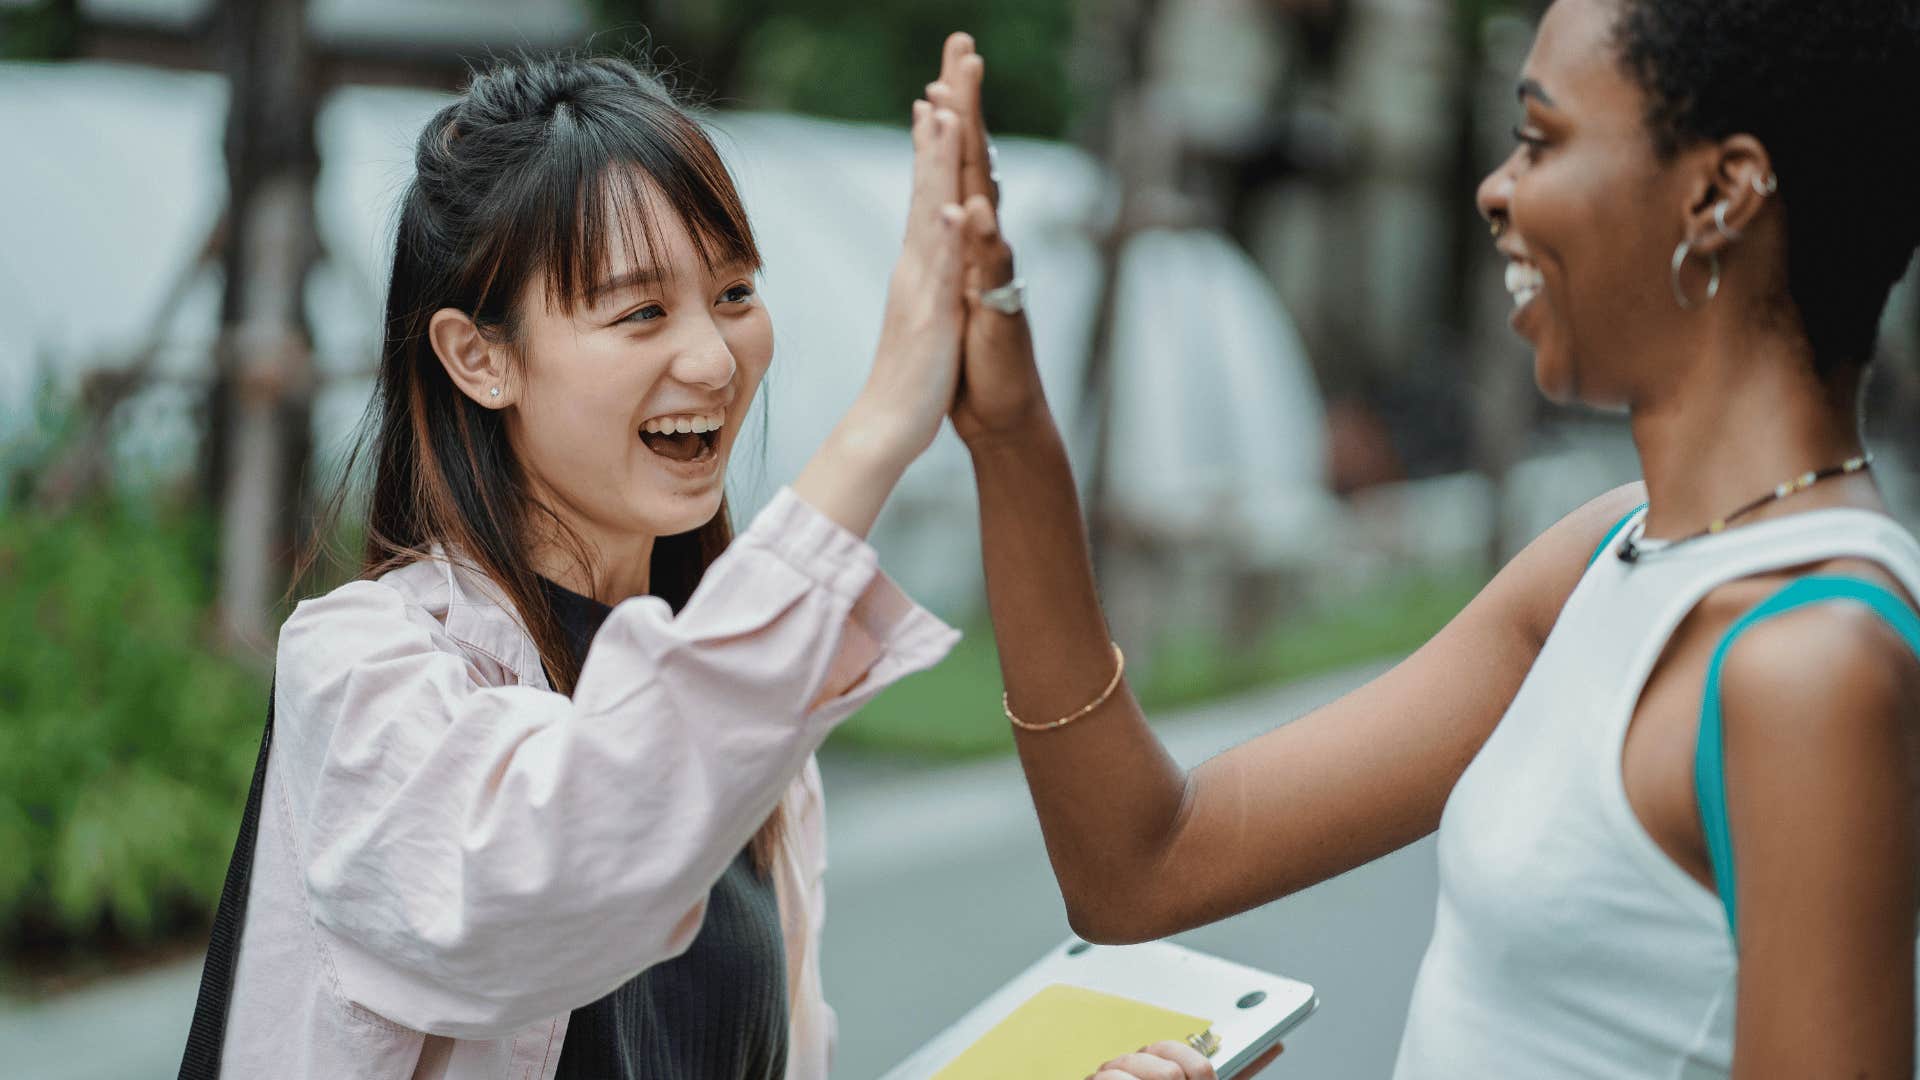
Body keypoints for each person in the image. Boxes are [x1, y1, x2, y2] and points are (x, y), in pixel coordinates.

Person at [942, 0, 1920, 1076]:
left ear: (1720, 193)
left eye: (1542, 139)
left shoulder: (1813, 662)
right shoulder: (1609, 559)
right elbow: (1141, 864)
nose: (1495, 188)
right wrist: (1011, 438)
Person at [200, 51, 976, 1079]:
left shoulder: (744, 731)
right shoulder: (364, 675)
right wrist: (881, 424)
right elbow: (562, 860)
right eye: (641, 312)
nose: (712, 359)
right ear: (481, 357)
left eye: (735, 291)